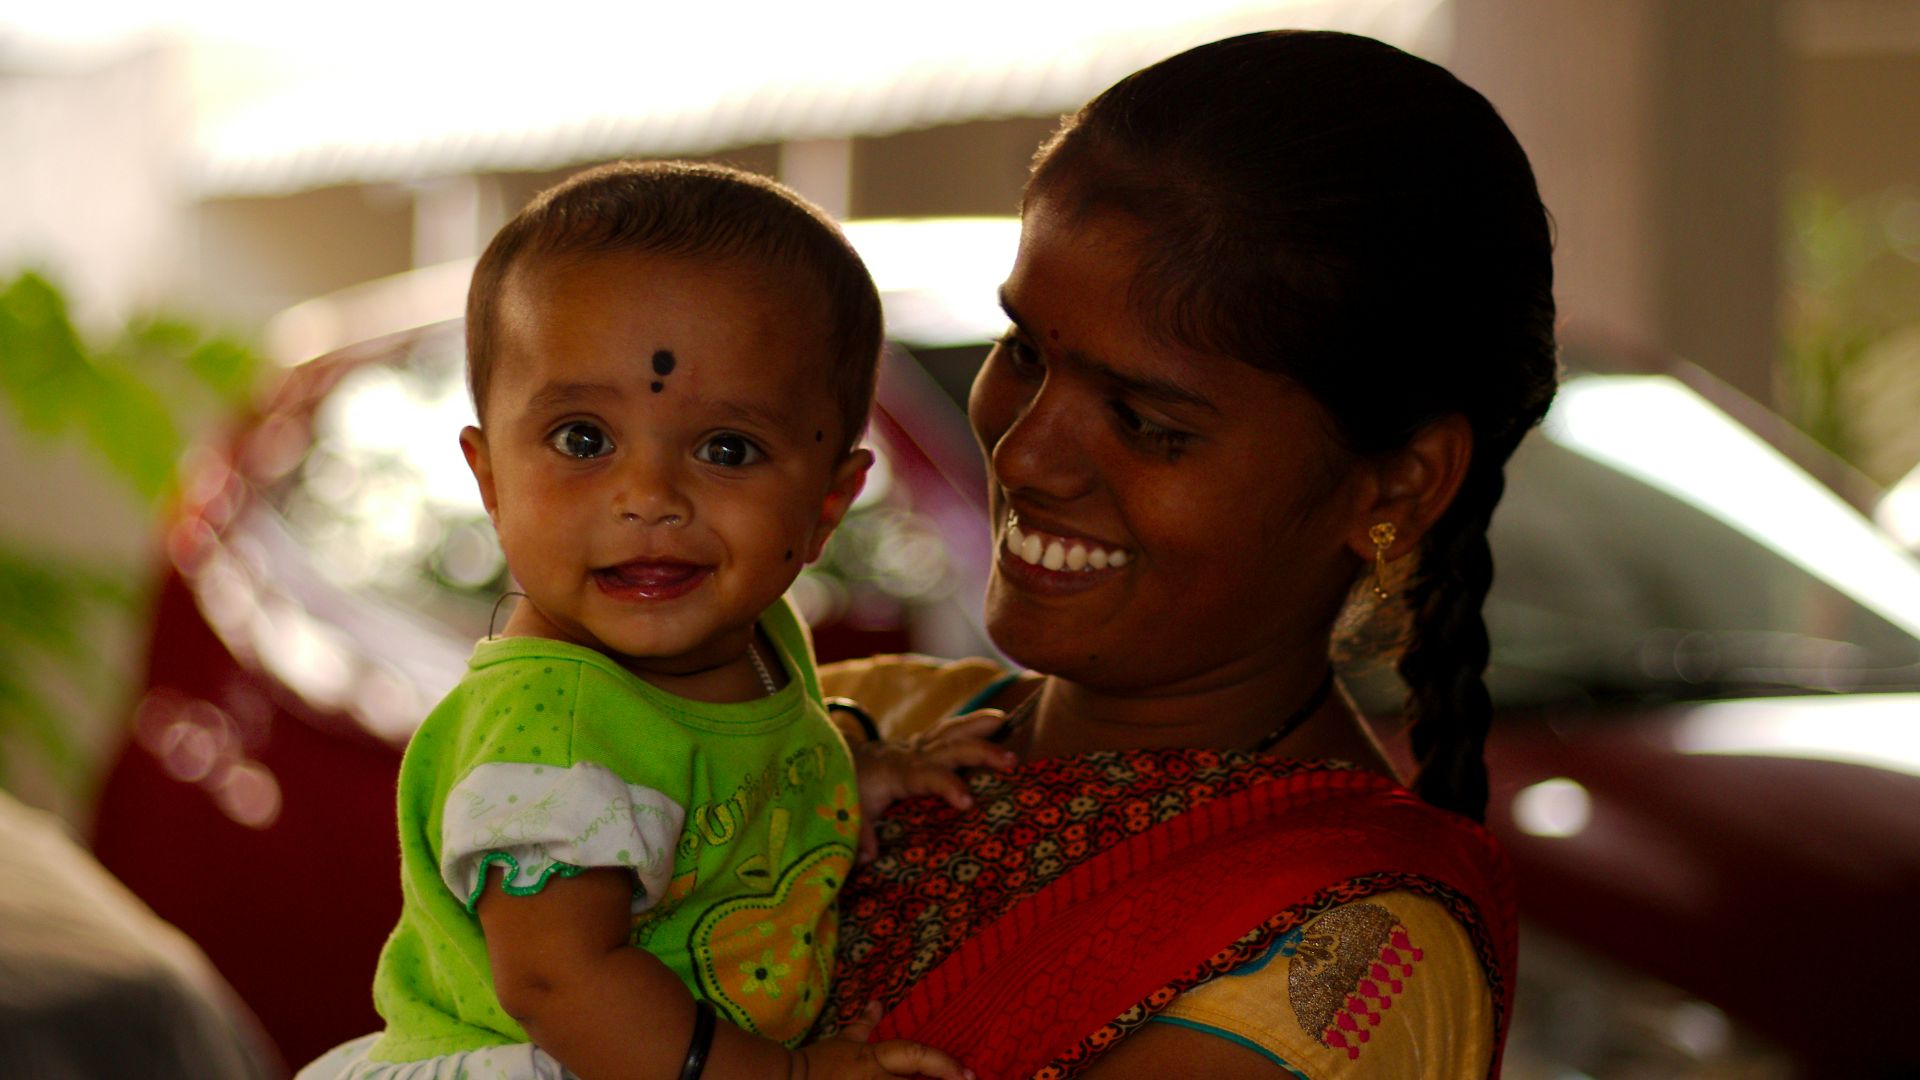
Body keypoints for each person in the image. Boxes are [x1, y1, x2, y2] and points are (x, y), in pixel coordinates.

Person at [815, 30, 1557, 1080]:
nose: (1024, 451)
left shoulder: (1344, 945)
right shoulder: (867, 718)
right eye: (1023, 351)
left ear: (1394, 487)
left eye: (1146, 422)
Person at [298, 162, 993, 1080]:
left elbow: (727, 789)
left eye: (727, 448)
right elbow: (560, 982)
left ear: (828, 502)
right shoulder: (555, 733)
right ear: (490, 480)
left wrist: (849, 778)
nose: (650, 497)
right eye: (583, 439)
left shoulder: (755, 637)